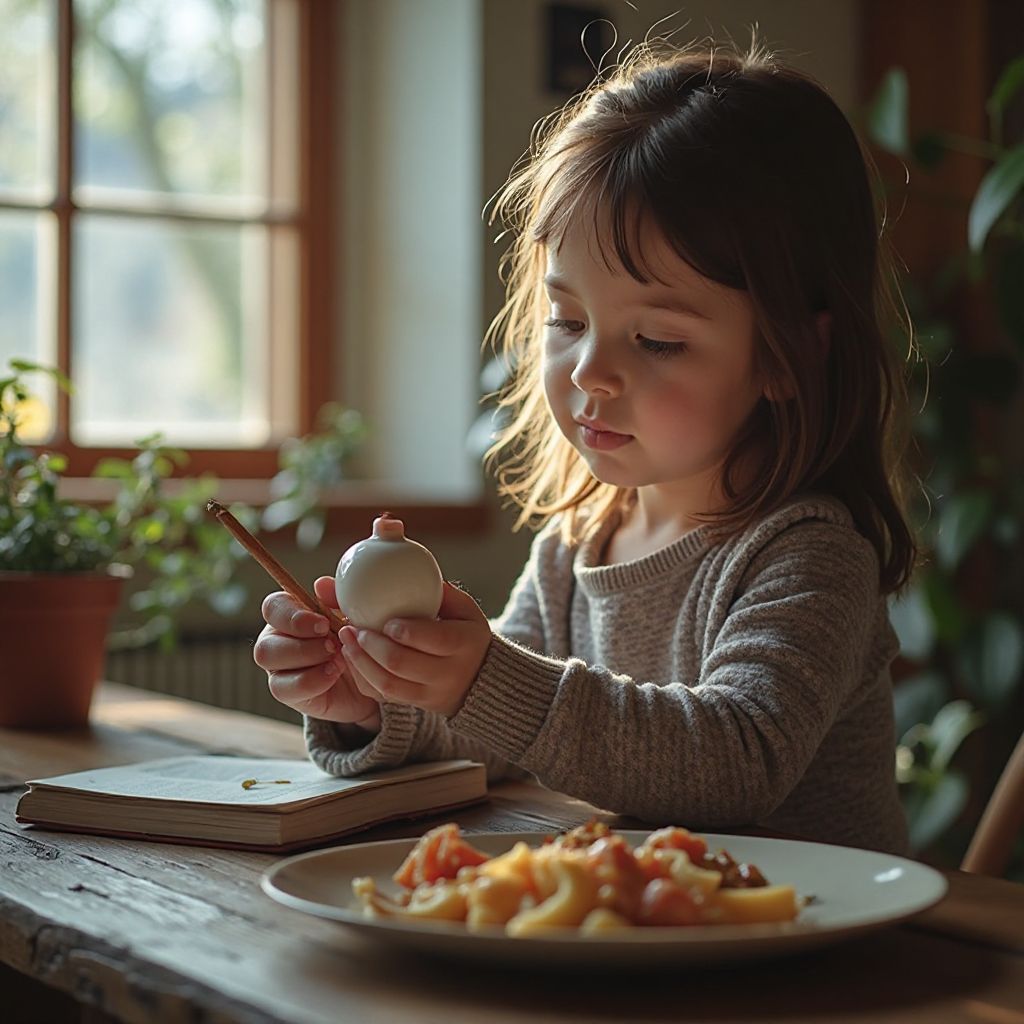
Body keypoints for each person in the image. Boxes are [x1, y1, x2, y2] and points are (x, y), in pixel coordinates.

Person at [254, 39, 917, 854]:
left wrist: (481, 675)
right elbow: (494, 730)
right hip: (648, 950)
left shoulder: (807, 555)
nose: (590, 371)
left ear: (789, 354)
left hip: (821, 960)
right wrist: (374, 698)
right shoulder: (577, 546)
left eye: (659, 341)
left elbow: (737, 759)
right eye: (567, 322)